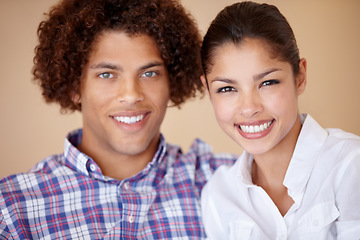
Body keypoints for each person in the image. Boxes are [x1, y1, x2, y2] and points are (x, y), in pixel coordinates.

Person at [0, 0, 236, 239]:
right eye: (106, 74)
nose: (131, 95)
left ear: (171, 82)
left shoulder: (227, 182)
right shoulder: (13, 211)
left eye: (149, 73)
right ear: (74, 86)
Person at [200, 1, 360, 239]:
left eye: (268, 82)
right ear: (208, 91)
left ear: (300, 77)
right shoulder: (218, 195)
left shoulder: (350, 167)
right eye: (226, 89)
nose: (249, 108)